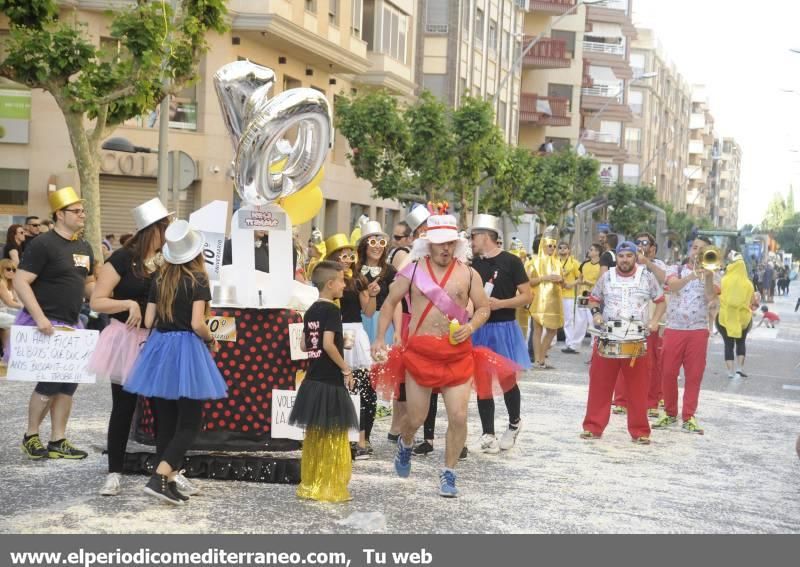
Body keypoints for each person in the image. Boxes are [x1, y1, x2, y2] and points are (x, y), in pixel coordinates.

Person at [371, 214, 515, 497]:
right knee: (415, 417)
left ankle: (449, 473)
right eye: (439, 243)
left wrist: (471, 325)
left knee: (459, 416)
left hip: (457, 354)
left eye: (450, 242)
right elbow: (389, 303)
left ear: (457, 244)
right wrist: (379, 338)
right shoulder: (412, 271)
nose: (445, 248)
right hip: (420, 353)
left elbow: (484, 308)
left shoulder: (469, 273)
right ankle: (406, 442)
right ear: (428, 244)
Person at [124, 220, 227, 505]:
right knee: (190, 422)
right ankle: (159, 477)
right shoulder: (199, 280)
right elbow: (197, 323)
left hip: (160, 347)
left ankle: (166, 482)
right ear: (195, 252)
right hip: (187, 348)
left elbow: (148, 321)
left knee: (166, 421)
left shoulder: (159, 278)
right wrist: (210, 340)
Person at [88, 198, 174, 496]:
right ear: (154, 229)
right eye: (166, 226)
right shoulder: (123, 259)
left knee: (163, 409)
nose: (170, 231)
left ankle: (168, 473)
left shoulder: (168, 259)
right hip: (125, 339)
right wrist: (127, 303)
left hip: (158, 340)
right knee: (124, 407)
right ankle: (114, 472)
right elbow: (96, 300)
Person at [15, 187, 95, 460]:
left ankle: (58, 439)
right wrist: (39, 318)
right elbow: (21, 281)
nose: (82, 215)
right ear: (60, 214)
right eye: (76, 211)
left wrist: (104, 296)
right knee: (49, 382)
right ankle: (30, 435)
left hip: (72, 325)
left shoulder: (84, 246)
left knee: (68, 384)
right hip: (46, 323)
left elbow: (88, 284)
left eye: (83, 210)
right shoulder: (43, 244)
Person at [580, 241, 666, 444]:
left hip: (636, 337)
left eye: (629, 256)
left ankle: (640, 430)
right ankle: (593, 427)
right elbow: (593, 299)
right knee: (600, 383)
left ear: (635, 257)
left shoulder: (646, 277)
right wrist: (596, 315)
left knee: (638, 386)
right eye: (621, 256)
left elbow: (661, 301)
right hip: (608, 336)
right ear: (616, 257)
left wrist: (654, 322)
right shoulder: (606, 277)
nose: (625, 260)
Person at [288, 261, 359, 502]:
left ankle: (311, 483)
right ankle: (329, 486)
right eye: (341, 280)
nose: (344, 284)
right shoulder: (331, 311)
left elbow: (305, 345)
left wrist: (336, 343)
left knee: (315, 434)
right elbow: (328, 344)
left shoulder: (311, 311)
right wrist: (346, 367)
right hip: (330, 381)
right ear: (330, 284)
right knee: (334, 435)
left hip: (313, 380)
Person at [469, 214, 531, 453]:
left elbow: (527, 296)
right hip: (478, 327)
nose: (471, 240)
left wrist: (500, 303)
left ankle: (514, 423)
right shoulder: (472, 264)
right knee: (482, 382)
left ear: (486, 236)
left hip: (504, 328)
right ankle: (488, 434)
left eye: (474, 235)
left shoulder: (512, 261)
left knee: (507, 380)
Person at [653, 237, 720, 435]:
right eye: (694, 247)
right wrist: (691, 276)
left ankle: (689, 416)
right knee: (667, 372)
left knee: (694, 375)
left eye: (701, 249)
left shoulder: (714, 274)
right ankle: (670, 413)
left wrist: (707, 276)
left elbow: (711, 297)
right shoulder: (676, 268)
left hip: (698, 330)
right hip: (674, 328)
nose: (696, 251)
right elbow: (672, 286)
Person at [323, 233, 376, 459]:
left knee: (363, 388)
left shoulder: (358, 280)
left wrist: (372, 294)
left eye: (350, 254)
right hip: (335, 331)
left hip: (354, 332)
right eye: (342, 255)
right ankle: (344, 438)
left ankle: (362, 439)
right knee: (343, 387)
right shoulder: (327, 280)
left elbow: (369, 311)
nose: (346, 259)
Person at [716, 254, 756, 379]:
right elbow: (753, 301)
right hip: (743, 319)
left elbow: (717, 294)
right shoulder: (749, 284)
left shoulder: (724, 280)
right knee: (741, 342)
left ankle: (730, 372)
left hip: (725, 317)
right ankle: (740, 368)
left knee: (728, 344)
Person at [528, 227, 564, 369]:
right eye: (550, 245)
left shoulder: (557, 262)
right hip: (539, 299)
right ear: (543, 245)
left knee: (553, 330)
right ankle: (538, 360)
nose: (553, 248)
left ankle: (541, 358)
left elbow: (564, 283)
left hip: (555, 299)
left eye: (554, 246)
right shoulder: (534, 262)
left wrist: (561, 280)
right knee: (537, 329)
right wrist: (546, 277)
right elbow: (528, 281)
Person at [566, 243, 602, 355]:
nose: (589, 251)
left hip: (594, 297)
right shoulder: (585, 264)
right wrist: (571, 284)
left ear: (597, 252)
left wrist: (589, 283)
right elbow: (580, 279)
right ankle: (574, 345)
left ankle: (594, 348)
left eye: (592, 249)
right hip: (583, 295)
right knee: (580, 321)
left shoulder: (601, 266)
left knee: (593, 322)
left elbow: (601, 282)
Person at [558, 241, 582, 355]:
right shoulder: (554, 262)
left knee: (568, 320)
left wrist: (570, 284)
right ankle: (549, 344)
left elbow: (580, 278)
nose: (562, 250)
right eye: (560, 248)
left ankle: (570, 344)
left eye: (565, 248)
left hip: (568, 295)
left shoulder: (574, 263)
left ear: (569, 250)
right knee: (554, 319)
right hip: (555, 295)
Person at [0, 258, 22, 348]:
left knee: (7, 327)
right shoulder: (1, 283)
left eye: (14, 270)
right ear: (1, 269)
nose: (11, 272)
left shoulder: (10, 284)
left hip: (3, 313)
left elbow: (16, 300)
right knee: (18, 321)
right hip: (1, 313)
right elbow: (9, 302)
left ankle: (6, 353)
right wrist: (25, 307)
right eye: (8, 269)